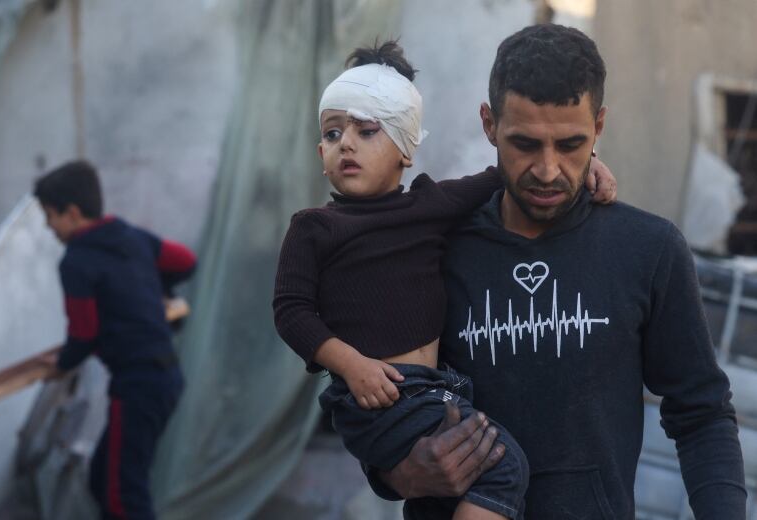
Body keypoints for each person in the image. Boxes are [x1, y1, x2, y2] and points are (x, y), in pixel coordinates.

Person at [369, 24, 747, 520]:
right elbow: (379, 399)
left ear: (600, 126)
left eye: (570, 144)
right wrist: (398, 472)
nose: (548, 170)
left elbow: (701, 413)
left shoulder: (647, 249)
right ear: (489, 124)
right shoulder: (434, 248)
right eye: (525, 143)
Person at [273, 41, 616, 519]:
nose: (345, 143)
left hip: (435, 388)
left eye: (367, 131)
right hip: (381, 393)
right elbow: (291, 311)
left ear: (406, 150)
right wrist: (352, 366)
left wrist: (587, 163)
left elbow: (513, 173)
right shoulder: (314, 227)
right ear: (320, 151)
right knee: (503, 466)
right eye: (332, 134)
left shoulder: (430, 206)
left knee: (475, 474)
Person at [34, 160, 196, 520]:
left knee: (123, 498)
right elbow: (185, 261)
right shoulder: (130, 236)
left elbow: (84, 333)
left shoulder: (76, 261)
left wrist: (60, 366)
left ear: (72, 213)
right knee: (103, 480)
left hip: (138, 385)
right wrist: (157, 290)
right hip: (166, 380)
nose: (48, 227)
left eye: (49, 216)